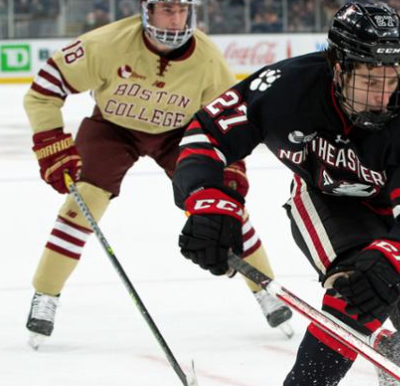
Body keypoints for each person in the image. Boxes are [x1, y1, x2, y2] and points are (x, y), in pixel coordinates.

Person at [172, 3, 400, 386]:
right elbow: (207, 133)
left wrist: (394, 261)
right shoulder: (284, 87)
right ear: (338, 66)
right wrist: (210, 202)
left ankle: (391, 352)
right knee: (355, 291)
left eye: (391, 78)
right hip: (328, 202)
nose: (382, 94)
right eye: (370, 79)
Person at [23, 0, 292, 350]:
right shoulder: (107, 43)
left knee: (224, 209)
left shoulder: (208, 60)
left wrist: (230, 171)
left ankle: (264, 288)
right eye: (166, 9)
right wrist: (51, 141)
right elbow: (44, 89)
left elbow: (229, 123)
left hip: (179, 136)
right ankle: (46, 293)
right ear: (146, 10)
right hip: (113, 128)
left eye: (182, 10)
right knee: (82, 202)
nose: (176, 19)